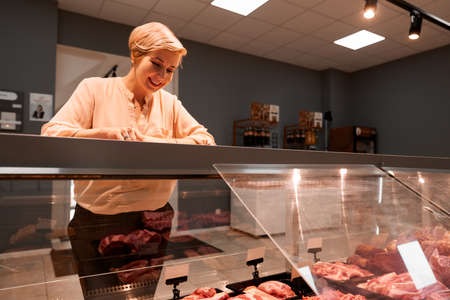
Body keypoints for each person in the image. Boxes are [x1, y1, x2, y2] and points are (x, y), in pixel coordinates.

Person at [40, 22, 215, 294]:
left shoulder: (170, 104)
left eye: (170, 69)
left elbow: (205, 141)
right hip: (98, 219)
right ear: (135, 56)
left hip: (153, 220)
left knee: (143, 294)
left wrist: (153, 141)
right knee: (100, 295)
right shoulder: (94, 89)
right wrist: (101, 134)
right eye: (156, 64)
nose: (162, 75)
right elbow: (51, 133)